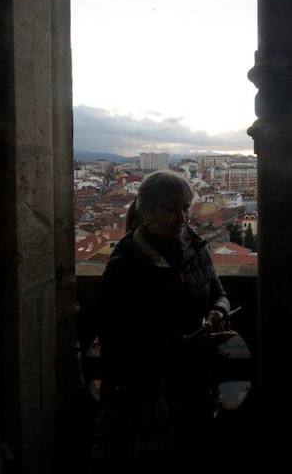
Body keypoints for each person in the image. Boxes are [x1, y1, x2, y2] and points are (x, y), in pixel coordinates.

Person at [91, 170, 230, 473]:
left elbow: (218, 293)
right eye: (173, 209)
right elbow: (117, 340)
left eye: (186, 208)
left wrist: (217, 312)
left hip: (196, 386)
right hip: (146, 397)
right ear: (148, 211)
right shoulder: (126, 265)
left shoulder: (196, 248)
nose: (182, 217)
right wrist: (182, 344)